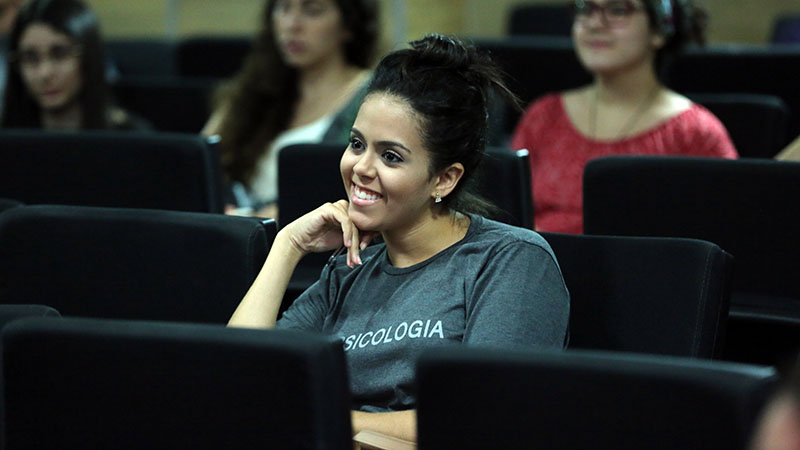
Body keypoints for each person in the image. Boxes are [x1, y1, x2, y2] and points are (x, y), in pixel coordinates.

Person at [228, 34, 571, 442]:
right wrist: (287, 246)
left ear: (444, 179)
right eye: (357, 144)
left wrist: (329, 416)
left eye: (391, 156)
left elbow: (485, 418)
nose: (361, 168)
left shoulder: (510, 261)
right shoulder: (348, 268)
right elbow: (239, 374)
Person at [511, 0, 738, 234]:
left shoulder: (696, 132)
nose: (595, 23)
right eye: (585, 9)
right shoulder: (543, 115)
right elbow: (506, 213)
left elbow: (730, 225)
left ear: (659, 29)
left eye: (618, 10)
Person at [202, 0, 379, 219]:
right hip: (238, 232)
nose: (292, 24)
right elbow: (200, 165)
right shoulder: (255, 86)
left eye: (313, 11)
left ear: (349, 26)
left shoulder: (373, 95)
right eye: (283, 8)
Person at [1, 0, 146, 130]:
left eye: (60, 54)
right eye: (30, 58)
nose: (45, 73)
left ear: (88, 56)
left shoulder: (131, 137)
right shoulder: (7, 140)